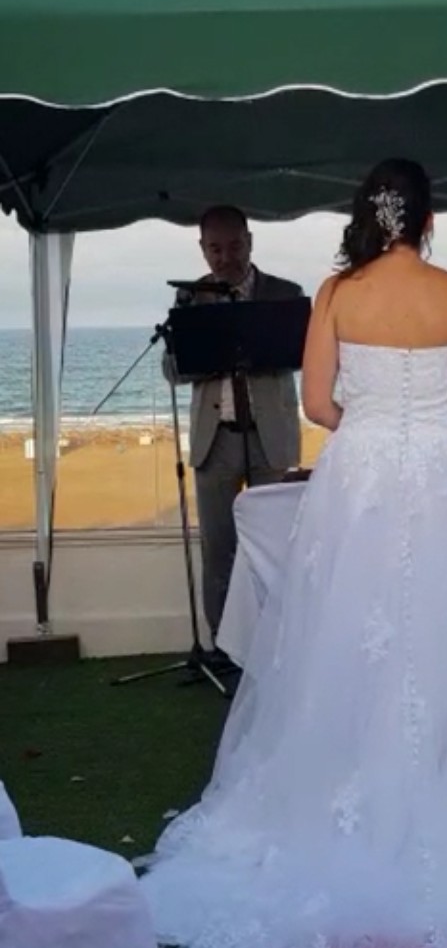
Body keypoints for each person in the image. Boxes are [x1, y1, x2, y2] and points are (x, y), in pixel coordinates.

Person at [142, 160, 447, 948]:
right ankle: (435, 782)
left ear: (366, 216)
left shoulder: (337, 292)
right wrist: (425, 429)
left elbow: (319, 405)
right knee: (441, 636)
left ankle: (347, 781)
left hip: (364, 477)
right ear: (428, 220)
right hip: (446, 477)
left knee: (349, 633)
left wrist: (376, 423)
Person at [165, 205, 304, 652]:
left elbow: (302, 355)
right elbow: (171, 370)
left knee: (274, 545)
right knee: (219, 549)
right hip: (216, 439)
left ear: (250, 242)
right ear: (202, 249)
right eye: (215, 249)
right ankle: (223, 648)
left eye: (234, 246)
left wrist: (254, 344)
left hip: (270, 437)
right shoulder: (189, 299)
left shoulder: (284, 294)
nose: (225, 257)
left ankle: (277, 646)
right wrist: (207, 352)